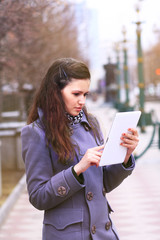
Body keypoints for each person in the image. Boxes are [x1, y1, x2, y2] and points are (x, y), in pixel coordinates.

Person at [21, 57, 139, 240]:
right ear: (56, 92)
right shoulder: (36, 133)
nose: (82, 101)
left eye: (85, 94)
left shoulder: (91, 123)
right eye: (76, 94)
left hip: (104, 232)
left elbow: (104, 183)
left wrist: (125, 156)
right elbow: (38, 197)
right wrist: (77, 170)